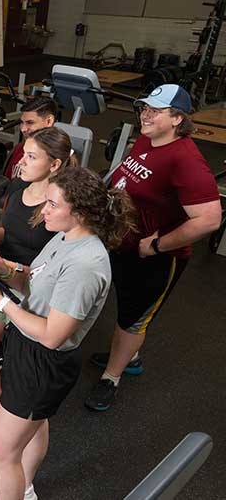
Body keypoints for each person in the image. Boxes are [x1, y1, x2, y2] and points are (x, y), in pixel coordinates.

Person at [0, 167, 136, 499]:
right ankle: (24, 486)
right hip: (27, 348)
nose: (43, 210)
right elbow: (37, 279)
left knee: (1, 452)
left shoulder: (86, 264)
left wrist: (1, 301)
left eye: (52, 205)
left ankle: (14, 485)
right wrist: (4, 267)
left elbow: (52, 335)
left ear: (79, 213)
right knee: (36, 424)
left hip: (43, 360)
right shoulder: (64, 236)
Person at [84, 84, 221, 412]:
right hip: (123, 242)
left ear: (177, 118)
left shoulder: (186, 160)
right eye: (144, 107)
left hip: (155, 256)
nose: (145, 115)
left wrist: (158, 245)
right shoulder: (148, 138)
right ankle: (128, 355)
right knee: (123, 305)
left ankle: (112, 377)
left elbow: (209, 219)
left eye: (155, 110)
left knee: (133, 319)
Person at [0, 127, 77, 448]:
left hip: (34, 292)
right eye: (24, 154)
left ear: (54, 164)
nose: (21, 162)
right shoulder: (18, 186)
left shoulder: (59, 205)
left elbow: (58, 261)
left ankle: (5, 420)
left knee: (18, 369)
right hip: (1, 281)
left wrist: (10, 267)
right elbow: (7, 230)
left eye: (31, 157)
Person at [3, 97, 58, 183]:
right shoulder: (19, 149)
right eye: (22, 122)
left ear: (49, 121)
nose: (23, 129)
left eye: (30, 122)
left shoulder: (56, 158)